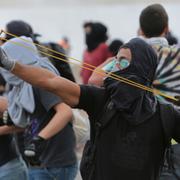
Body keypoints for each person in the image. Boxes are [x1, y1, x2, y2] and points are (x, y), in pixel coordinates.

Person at [1, 37, 180, 180]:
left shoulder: (166, 114)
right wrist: (9, 64)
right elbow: (51, 81)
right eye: (115, 61)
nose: (115, 67)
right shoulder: (101, 99)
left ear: (142, 67)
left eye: (123, 61)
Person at [0, 36, 77, 180]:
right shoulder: (21, 87)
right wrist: (12, 117)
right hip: (36, 162)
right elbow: (28, 121)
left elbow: (65, 112)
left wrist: (39, 139)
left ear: (19, 57)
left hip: (55, 164)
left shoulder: (40, 81)